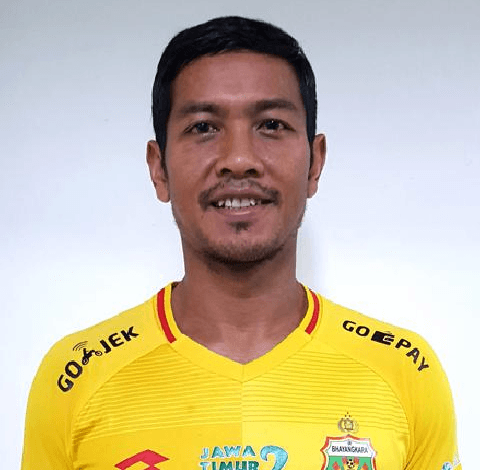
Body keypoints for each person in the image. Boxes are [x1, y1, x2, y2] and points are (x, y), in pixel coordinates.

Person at [21, 16, 461, 470]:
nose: (238, 159)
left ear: (315, 163)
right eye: (203, 127)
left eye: (271, 124)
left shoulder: (405, 371)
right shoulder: (75, 378)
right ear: (159, 168)